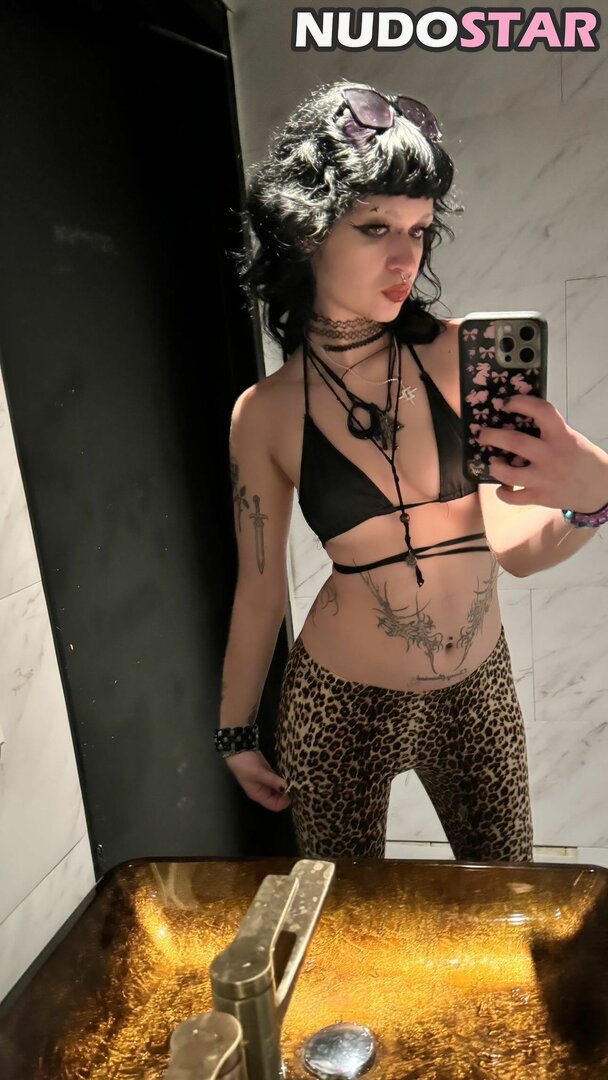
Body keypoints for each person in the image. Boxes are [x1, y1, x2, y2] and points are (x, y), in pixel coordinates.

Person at [214, 81, 608, 862]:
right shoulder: (264, 413)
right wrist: (234, 730)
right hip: (338, 702)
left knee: (506, 901)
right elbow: (259, 589)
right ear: (306, 231)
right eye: (375, 227)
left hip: (476, 691)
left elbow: (519, 549)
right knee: (350, 915)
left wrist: (592, 499)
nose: (406, 259)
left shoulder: (462, 359)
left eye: (420, 231)